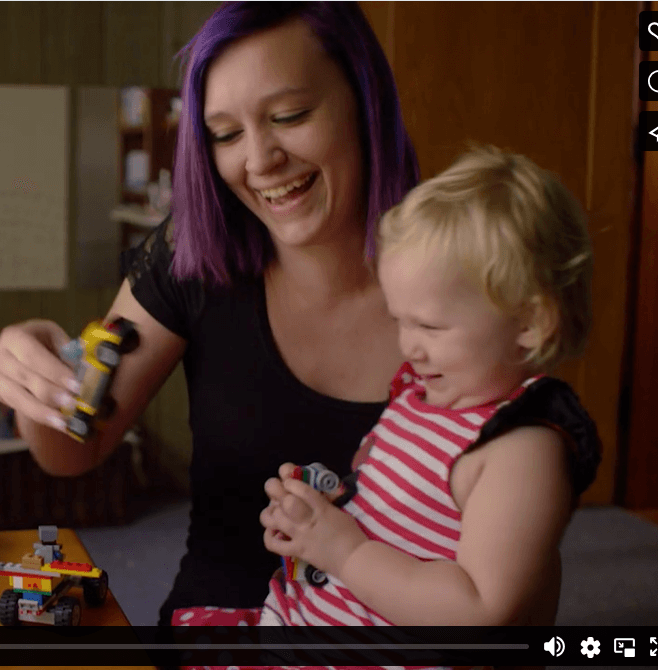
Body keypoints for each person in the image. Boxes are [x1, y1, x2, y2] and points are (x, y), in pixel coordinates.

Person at [0, 1, 419, 624]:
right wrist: (41, 375)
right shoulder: (193, 252)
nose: (259, 160)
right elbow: (72, 452)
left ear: (364, 99)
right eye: (226, 134)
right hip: (219, 629)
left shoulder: (460, 266)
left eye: (289, 116)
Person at [172, 148, 601, 645]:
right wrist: (320, 506)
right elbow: (387, 499)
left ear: (530, 324)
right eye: (400, 320)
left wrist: (346, 551)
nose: (407, 345)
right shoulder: (423, 394)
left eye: (430, 326)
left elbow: (481, 610)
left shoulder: (520, 450)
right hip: (308, 621)